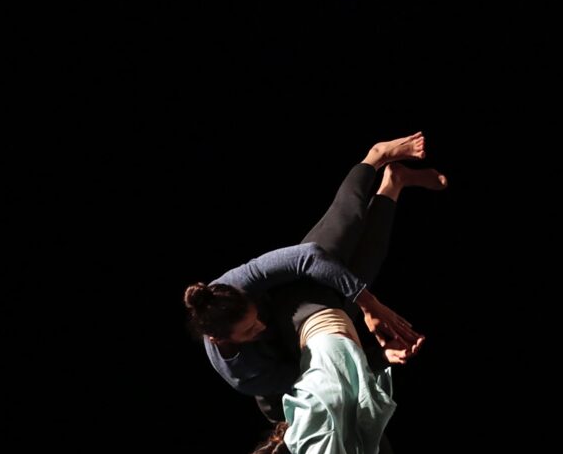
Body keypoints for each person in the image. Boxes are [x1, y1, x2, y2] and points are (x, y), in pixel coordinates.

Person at [228, 161, 448, 454]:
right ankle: (391, 186)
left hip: (310, 310)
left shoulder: (314, 441)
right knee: (366, 259)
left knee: (344, 231)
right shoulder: (280, 415)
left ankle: (373, 162)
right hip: (320, 335)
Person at [183, 133, 434, 418]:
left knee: (347, 223)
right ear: (219, 339)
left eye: (256, 319)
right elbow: (316, 368)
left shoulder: (234, 284)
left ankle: (375, 158)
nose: (260, 326)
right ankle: (394, 182)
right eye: (250, 330)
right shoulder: (246, 375)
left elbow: (307, 256)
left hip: (298, 283)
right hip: (302, 325)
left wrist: (370, 304)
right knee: (371, 256)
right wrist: (379, 357)